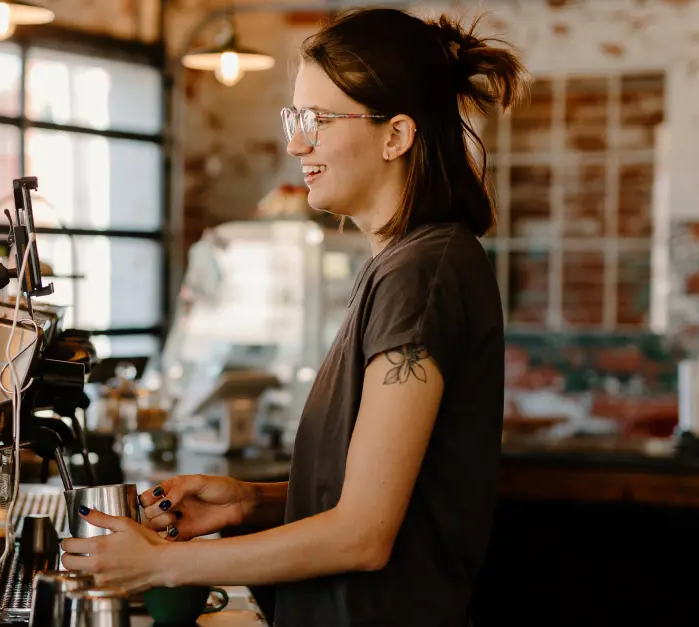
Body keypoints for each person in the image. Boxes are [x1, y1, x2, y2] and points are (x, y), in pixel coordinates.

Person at [60, 7, 527, 626]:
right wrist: (247, 502)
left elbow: (364, 535)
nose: (294, 142)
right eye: (293, 117)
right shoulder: (404, 263)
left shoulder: (423, 273)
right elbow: (387, 498)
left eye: (317, 120)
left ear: (397, 136)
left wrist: (162, 565)